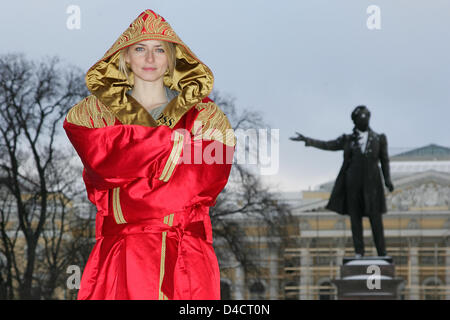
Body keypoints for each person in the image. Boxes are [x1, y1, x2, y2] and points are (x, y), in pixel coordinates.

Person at [63, 9, 236, 300]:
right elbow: (101, 162)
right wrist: (173, 145)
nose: (150, 58)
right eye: (140, 49)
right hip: (119, 255)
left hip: (184, 259)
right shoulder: (92, 114)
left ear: (172, 58)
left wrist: (129, 173)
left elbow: (205, 181)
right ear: (125, 56)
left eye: (160, 50)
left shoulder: (206, 115)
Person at [290, 106, 394, 258]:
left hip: (373, 186)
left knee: (376, 219)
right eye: (361, 118)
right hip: (353, 185)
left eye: (367, 117)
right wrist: (308, 141)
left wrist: (388, 180)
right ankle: (359, 252)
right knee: (355, 219)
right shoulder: (347, 140)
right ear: (355, 121)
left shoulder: (379, 139)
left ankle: (382, 252)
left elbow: (384, 160)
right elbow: (328, 145)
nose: (364, 120)